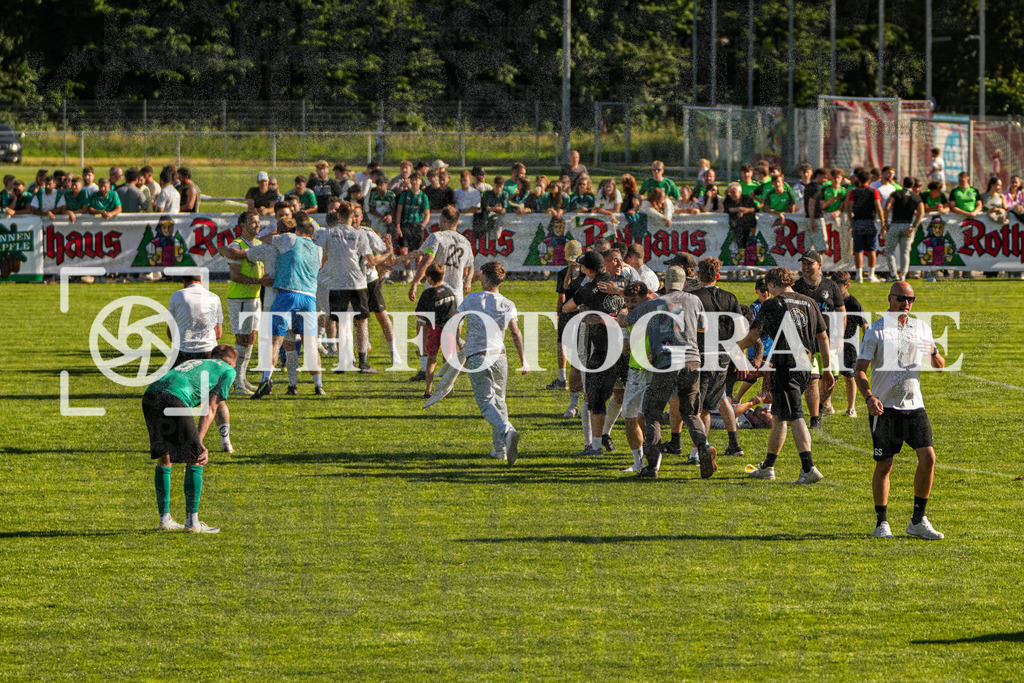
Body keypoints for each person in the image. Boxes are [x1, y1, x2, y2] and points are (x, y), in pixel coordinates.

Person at [855, 281, 946, 540]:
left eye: (911, 299)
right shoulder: (876, 331)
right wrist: (869, 397)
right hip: (885, 408)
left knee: (928, 458)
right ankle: (881, 523)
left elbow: (940, 365)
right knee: (885, 464)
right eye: (901, 298)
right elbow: (860, 369)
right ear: (890, 298)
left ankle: (917, 520)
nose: (906, 304)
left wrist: (932, 351)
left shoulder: (922, 327)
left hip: (915, 405)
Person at [738, 266, 833, 484]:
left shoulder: (772, 303)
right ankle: (768, 467)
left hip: (785, 364)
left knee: (796, 416)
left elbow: (754, 334)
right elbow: (823, 338)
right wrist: (826, 368)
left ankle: (808, 468)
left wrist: (736, 347)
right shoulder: (809, 302)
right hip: (805, 364)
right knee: (780, 416)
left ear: (771, 285)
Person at [623, 265, 714, 479]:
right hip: (692, 361)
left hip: (666, 362)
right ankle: (703, 448)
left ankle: (652, 467)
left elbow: (627, 320)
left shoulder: (654, 304)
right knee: (690, 413)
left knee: (652, 414)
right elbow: (704, 328)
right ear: (683, 283)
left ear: (665, 282)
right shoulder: (694, 300)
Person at [223, 216, 325, 397]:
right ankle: (311, 385)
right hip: (308, 297)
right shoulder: (317, 249)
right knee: (304, 343)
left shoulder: (274, 246)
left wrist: (223, 249)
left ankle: (264, 381)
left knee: (275, 342)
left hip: (280, 297)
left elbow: (241, 253)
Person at [143, 344, 238, 534]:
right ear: (231, 362)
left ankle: (165, 520)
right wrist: (199, 442)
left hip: (150, 395)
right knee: (196, 458)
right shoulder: (227, 370)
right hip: (173, 398)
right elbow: (211, 409)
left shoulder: (196, 362)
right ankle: (192, 523)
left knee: (165, 458)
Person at [458, 261, 527, 465]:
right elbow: (515, 332)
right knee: (500, 400)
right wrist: (523, 359)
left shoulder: (471, 299)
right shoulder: (507, 303)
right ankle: (501, 449)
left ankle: (507, 431)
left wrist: (458, 344)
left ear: (486, 278)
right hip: (499, 356)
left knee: (486, 403)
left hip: (477, 356)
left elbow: (456, 322)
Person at [560, 251, 628, 457]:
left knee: (592, 398)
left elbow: (566, 308)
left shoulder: (588, 289)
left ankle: (593, 444)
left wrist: (581, 305)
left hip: (598, 349)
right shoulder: (621, 282)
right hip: (625, 347)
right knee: (624, 395)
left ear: (588, 270)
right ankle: (634, 448)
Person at [166, 274, 233, 453]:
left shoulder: (177, 296)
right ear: (201, 281)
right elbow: (218, 333)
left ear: (184, 281)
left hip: (183, 352)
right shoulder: (214, 297)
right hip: (208, 352)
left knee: (178, 399)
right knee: (216, 400)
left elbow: (170, 331)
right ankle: (226, 441)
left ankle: (178, 440)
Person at [692, 257, 746, 458]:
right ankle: (734, 444)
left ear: (698, 275)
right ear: (717, 276)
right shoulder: (730, 297)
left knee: (702, 406)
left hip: (701, 354)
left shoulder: (693, 297)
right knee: (722, 398)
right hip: (723, 355)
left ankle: (698, 452)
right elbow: (741, 331)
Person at [316, 205, 378, 374]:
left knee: (340, 323)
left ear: (338, 215)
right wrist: (388, 253)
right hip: (357, 283)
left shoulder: (329, 232)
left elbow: (318, 252)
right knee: (361, 323)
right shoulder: (358, 234)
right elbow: (371, 261)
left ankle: (343, 361)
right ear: (353, 216)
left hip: (336, 283)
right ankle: (363, 363)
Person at [793, 248, 845, 428]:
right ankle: (815, 418)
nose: (806, 267)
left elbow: (841, 311)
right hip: (805, 342)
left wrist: (840, 336)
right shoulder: (796, 287)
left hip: (828, 340)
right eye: (803, 263)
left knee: (832, 378)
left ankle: (822, 405)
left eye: (810, 263)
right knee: (812, 379)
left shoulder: (830, 286)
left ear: (819, 266)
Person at [225, 210, 270, 395]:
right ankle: (236, 383)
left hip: (254, 298)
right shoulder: (236, 245)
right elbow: (235, 276)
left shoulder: (258, 245)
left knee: (251, 338)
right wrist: (258, 281)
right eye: (252, 222)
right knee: (242, 339)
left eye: (258, 222)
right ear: (242, 225)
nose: (257, 225)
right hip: (240, 298)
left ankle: (242, 378)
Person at [414, 263, 458, 397]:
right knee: (448, 360)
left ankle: (428, 390)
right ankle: (449, 389)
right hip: (449, 330)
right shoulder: (449, 291)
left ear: (429, 278)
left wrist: (429, 319)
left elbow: (419, 313)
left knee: (431, 360)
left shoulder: (428, 293)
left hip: (435, 329)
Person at [830, 270, 867, 417]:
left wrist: (867, 345)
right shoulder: (829, 301)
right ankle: (827, 404)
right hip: (832, 342)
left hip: (849, 345)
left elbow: (865, 325)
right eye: (833, 286)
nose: (836, 290)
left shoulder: (853, 303)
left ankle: (851, 407)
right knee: (831, 375)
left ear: (847, 286)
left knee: (849, 376)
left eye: (839, 286)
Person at [844, 168, 886, 283]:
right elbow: (878, 207)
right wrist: (883, 222)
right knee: (872, 249)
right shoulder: (874, 191)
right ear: (869, 179)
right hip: (870, 221)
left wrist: (851, 220)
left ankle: (859, 275)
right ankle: (871, 275)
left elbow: (849, 207)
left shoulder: (853, 192)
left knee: (858, 249)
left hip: (858, 222)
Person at [884, 177, 925, 281]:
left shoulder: (896, 194)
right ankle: (903, 275)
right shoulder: (916, 197)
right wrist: (914, 226)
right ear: (913, 185)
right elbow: (921, 213)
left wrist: (885, 221)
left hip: (895, 224)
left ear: (902, 183)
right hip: (908, 226)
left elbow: (887, 207)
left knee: (889, 251)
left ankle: (893, 274)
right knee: (905, 252)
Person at [394, 172, 431, 279]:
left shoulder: (423, 197)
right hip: (405, 225)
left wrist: (423, 225)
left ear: (420, 182)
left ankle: (417, 275)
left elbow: (427, 214)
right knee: (403, 251)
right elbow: (399, 212)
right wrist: (398, 226)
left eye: (417, 179)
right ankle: (408, 272)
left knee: (418, 253)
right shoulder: (404, 195)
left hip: (417, 226)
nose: (414, 181)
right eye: (413, 179)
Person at [723, 181, 757, 255]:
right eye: (729, 192)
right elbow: (726, 209)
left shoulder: (746, 198)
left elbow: (755, 208)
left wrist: (745, 210)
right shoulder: (728, 199)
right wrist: (738, 209)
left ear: (739, 192)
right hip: (735, 227)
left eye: (733, 192)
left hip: (748, 227)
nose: (730, 194)